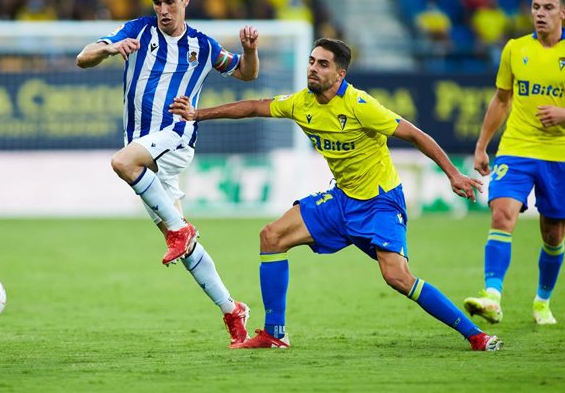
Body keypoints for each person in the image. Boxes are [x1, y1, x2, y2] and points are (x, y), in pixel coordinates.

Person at [169, 38, 502, 351]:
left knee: (398, 278)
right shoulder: (302, 102)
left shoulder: (360, 105)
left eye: (323, 64)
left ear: (339, 74)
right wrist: (199, 114)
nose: (313, 68)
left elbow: (415, 135)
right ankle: (274, 334)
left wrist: (453, 174)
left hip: (379, 204)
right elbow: (255, 106)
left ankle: (474, 335)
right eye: (312, 61)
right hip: (342, 201)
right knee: (271, 236)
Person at [76, 0, 260, 346]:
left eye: (170, 2)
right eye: (157, 1)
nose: (163, 9)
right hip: (145, 150)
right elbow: (83, 57)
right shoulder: (138, 31)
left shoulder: (203, 46)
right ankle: (232, 310)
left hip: (176, 136)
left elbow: (245, 73)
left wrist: (249, 51)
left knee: (121, 162)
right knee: (185, 248)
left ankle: (180, 229)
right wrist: (110, 48)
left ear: (186, 0)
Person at [463, 0, 565, 326]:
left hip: (559, 154)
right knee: (501, 214)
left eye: (548, 8)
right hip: (516, 149)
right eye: (536, 6)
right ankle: (492, 297)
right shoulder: (515, 49)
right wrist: (481, 145)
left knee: (553, 234)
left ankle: (542, 301)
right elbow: (502, 99)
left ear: (562, 13)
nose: (540, 13)